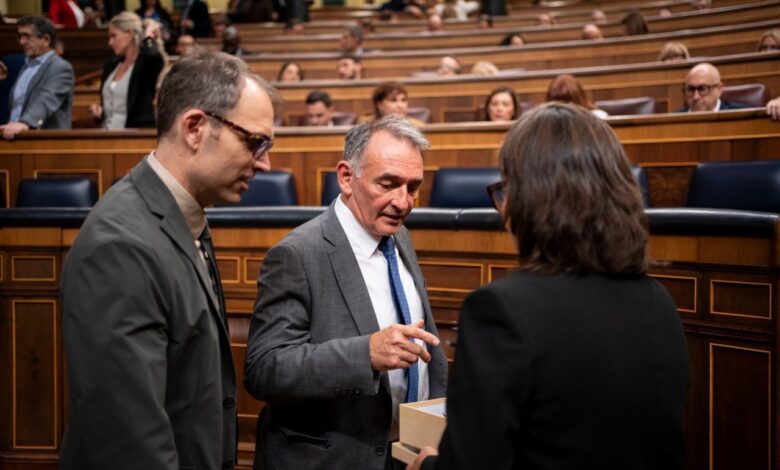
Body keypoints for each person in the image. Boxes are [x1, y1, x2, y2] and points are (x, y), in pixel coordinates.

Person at [408, 101, 689, 470]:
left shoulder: (501, 311)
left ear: (529, 200)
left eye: (507, 190)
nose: (504, 211)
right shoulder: (659, 301)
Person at [60, 50, 280, 470]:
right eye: (254, 142)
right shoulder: (120, 246)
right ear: (195, 128)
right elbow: (129, 444)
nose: (265, 162)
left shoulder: (183, 214)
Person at [244, 114, 448, 470]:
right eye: (388, 184)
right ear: (346, 177)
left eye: (413, 187)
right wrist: (364, 354)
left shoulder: (399, 236)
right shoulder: (297, 254)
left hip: (406, 456)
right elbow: (264, 369)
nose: (403, 202)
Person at [2, 16, 74, 140]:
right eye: (20, 36)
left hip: (44, 144)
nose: (22, 42)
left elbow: (47, 99)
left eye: (27, 36)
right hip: (16, 138)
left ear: (46, 40)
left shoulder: (61, 68)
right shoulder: (26, 65)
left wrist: (25, 123)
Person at [89, 12, 164, 129]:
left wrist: (148, 36)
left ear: (129, 34)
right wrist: (100, 112)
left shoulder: (145, 65)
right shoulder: (111, 65)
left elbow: (153, 56)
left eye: (114, 36)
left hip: (133, 139)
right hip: (106, 136)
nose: (110, 42)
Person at [678, 63, 749, 112]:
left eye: (702, 89)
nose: (695, 97)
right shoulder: (674, 119)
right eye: (690, 89)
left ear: (719, 89)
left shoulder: (743, 115)